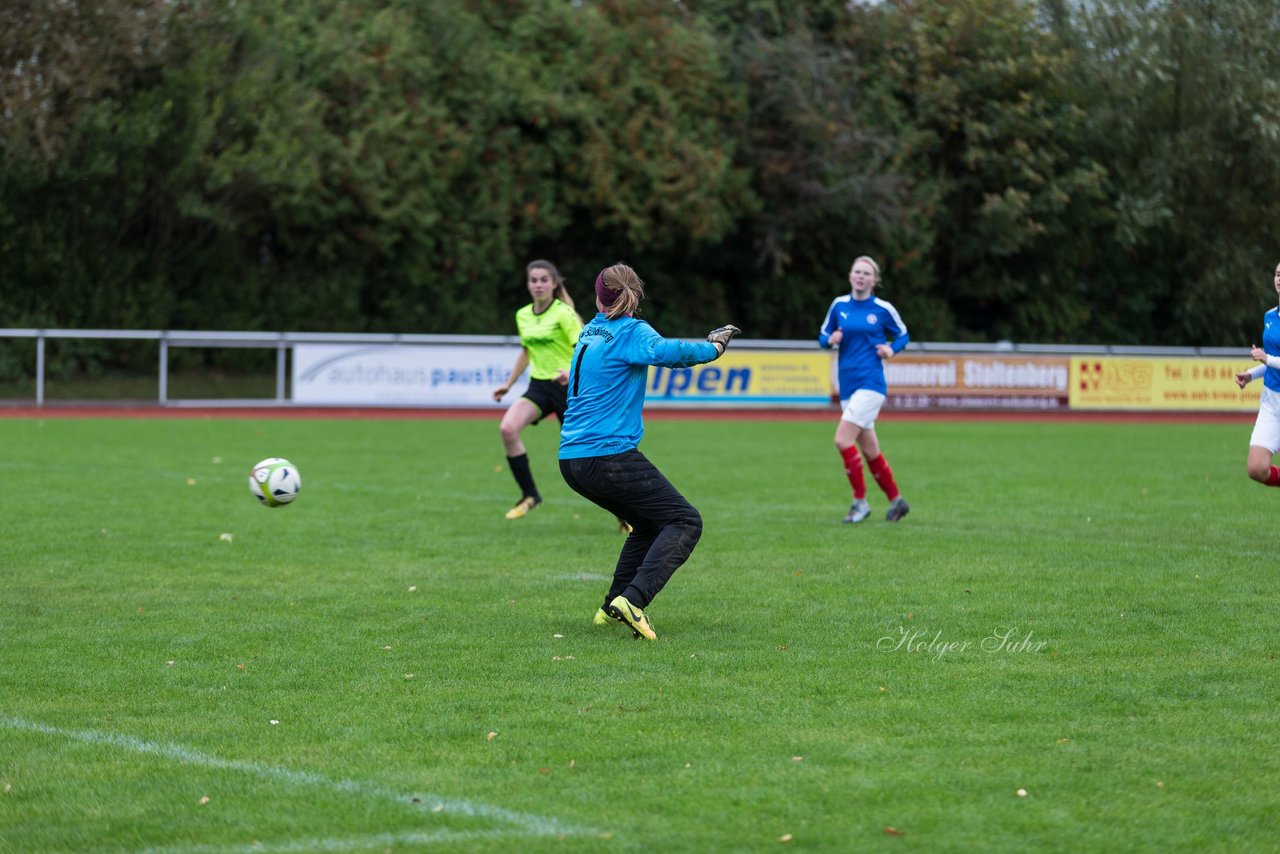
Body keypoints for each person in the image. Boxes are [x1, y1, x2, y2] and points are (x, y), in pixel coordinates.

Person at [558, 262, 740, 640]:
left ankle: (612, 606)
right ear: (635, 295)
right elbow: (669, 352)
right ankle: (634, 601)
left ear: (598, 296)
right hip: (607, 455)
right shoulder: (630, 331)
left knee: (647, 524)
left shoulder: (590, 330)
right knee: (685, 521)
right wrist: (714, 346)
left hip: (571, 459)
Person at [818, 255, 911, 523]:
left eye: (866, 273)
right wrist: (830, 339)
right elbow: (823, 336)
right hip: (847, 386)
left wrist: (891, 348)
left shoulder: (882, 308)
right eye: (857, 272)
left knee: (842, 440)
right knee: (870, 450)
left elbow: (903, 333)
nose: (860, 276)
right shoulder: (839, 305)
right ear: (850, 276)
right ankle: (897, 501)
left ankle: (860, 503)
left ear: (874, 280)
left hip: (871, 384)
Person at [492, 260, 583, 520]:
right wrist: (508, 385)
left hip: (567, 388)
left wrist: (570, 372)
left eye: (544, 279)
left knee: (587, 458)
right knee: (507, 429)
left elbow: (583, 348)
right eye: (534, 280)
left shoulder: (563, 313)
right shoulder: (523, 315)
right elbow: (527, 351)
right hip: (539, 387)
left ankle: (625, 515)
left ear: (554, 283)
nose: (539, 285)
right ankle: (530, 495)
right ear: (528, 284)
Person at [1234, 261, 1280, 487]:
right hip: (1271, 401)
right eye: (1278, 274)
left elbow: (1269, 358)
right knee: (1256, 468)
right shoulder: (1269, 316)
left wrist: (1266, 358)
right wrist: (1251, 374)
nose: (1279, 278)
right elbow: (1270, 360)